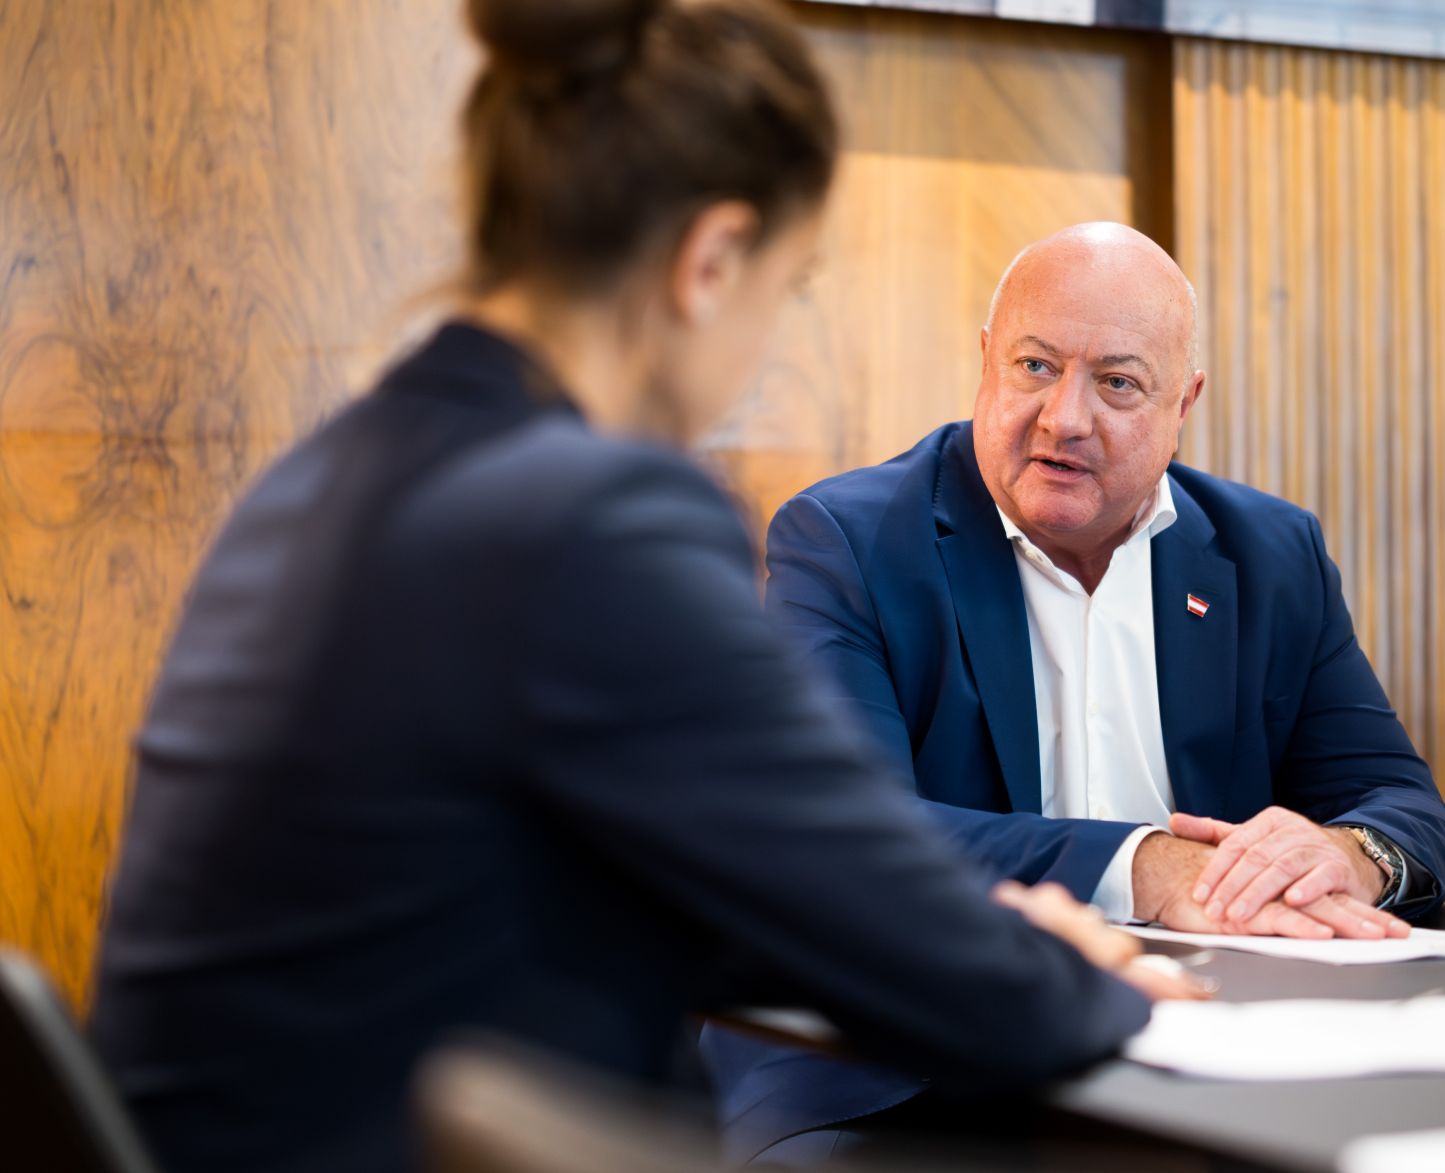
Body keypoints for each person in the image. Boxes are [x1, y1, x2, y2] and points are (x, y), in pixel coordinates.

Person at [86, 12, 1204, 1173]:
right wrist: (1083, 979)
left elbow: (672, 888)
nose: (769, 337)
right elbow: (912, 945)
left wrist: (948, 928)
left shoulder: (331, 477)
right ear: (710, 261)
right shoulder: (587, 515)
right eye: (788, 285)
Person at [704, 222, 1445, 1161]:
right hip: (895, 1067)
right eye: (1034, 365)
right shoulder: (850, 539)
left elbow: (1403, 801)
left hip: (1198, 1058)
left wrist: (1347, 855)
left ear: (1183, 402)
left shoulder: (1271, 554)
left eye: (1117, 383)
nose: (1065, 416)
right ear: (986, 361)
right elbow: (846, 834)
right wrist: (1148, 866)